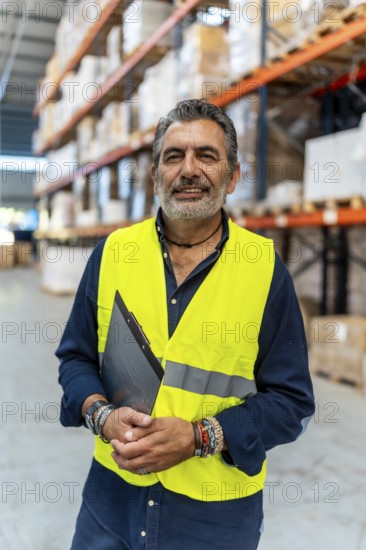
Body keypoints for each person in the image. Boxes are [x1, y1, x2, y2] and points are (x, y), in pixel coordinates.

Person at [56, 99, 315, 549]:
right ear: (156, 175)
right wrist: (102, 415)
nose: (188, 169)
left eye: (207, 156)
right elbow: (75, 358)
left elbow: (291, 403)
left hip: (213, 515)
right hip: (112, 499)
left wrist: (199, 437)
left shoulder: (264, 271)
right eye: (173, 156)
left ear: (233, 177)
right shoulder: (115, 253)